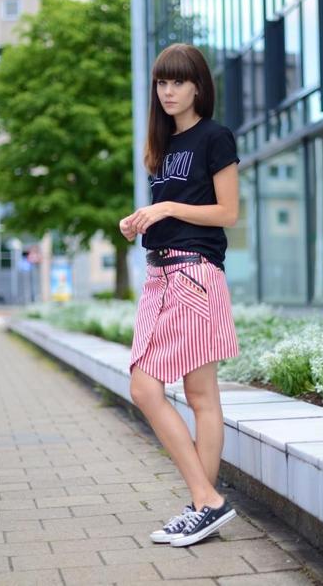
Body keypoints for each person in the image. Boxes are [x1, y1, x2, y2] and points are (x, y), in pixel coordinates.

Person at [119, 43, 240, 547]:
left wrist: (165, 206)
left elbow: (227, 213)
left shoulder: (215, 137)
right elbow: (171, 212)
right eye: (161, 83)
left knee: (162, 391)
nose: (167, 91)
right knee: (188, 394)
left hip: (194, 276)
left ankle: (205, 502)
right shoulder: (161, 146)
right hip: (160, 276)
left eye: (177, 82)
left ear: (197, 87)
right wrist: (140, 222)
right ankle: (203, 505)